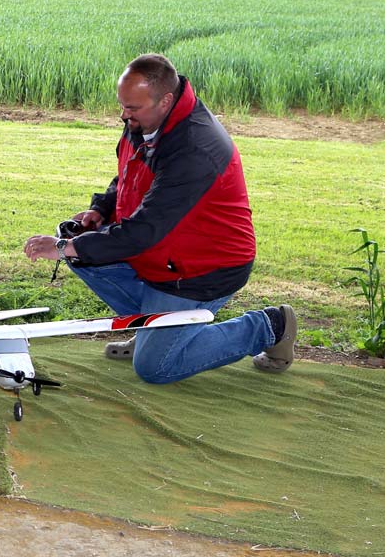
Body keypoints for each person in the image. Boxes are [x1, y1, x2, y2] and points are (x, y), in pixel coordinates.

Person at [23, 53, 296, 384]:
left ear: (165, 100)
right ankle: (151, 328)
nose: (124, 115)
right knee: (84, 253)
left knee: (155, 367)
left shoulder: (194, 147)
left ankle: (270, 326)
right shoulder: (148, 121)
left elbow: (144, 231)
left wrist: (65, 246)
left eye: (132, 108)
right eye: (123, 106)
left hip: (203, 269)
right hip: (165, 255)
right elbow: (129, 173)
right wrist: (102, 209)